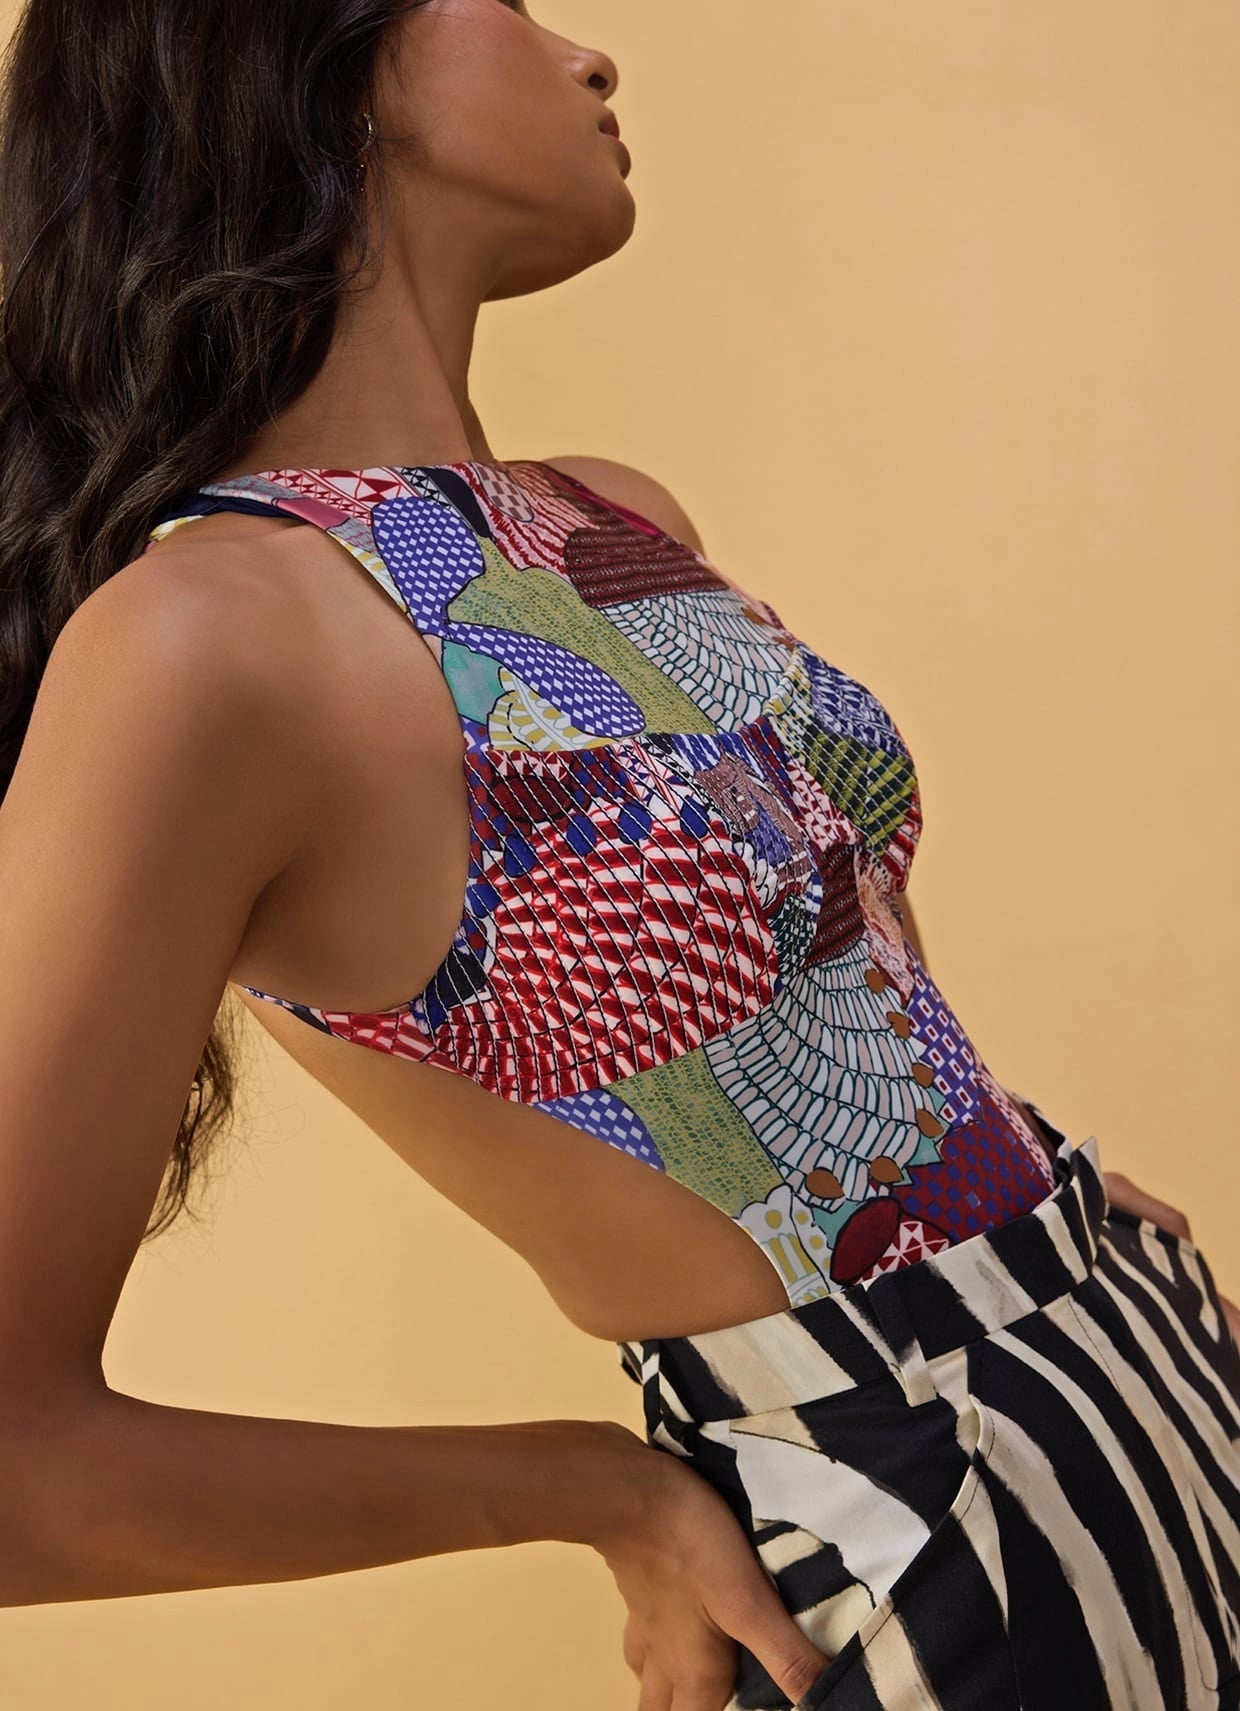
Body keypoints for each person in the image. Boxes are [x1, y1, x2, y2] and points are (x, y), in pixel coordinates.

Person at [0, 2, 1236, 1707]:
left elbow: (824, 975)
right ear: (311, 63)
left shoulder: (614, 520)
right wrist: (602, 1490)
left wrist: (1033, 1202)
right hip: (914, 1529)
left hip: (1142, 1382)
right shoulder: (206, 642)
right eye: (507, 4)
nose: (591, 58)